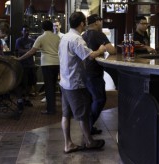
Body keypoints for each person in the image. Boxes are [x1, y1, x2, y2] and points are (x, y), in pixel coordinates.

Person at [59, 11, 106, 153]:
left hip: (64, 81)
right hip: (74, 82)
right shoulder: (76, 39)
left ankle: (68, 144)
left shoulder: (65, 37)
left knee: (65, 115)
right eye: (84, 22)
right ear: (81, 23)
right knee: (83, 115)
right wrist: (101, 49)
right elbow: (90, 56)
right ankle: (89, 142)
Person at [16, 20, 60, 115]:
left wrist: (19, 59)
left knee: (48, 87)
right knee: (53, 86)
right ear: (51, 28)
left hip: (47, 64)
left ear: (43, 28)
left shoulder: (41, 38)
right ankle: (52, 108)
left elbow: (31, 52)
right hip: (57, 64)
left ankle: (50, 109)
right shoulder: (57, 37)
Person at [82, 14, 116, 135]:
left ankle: (88, 127)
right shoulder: (98, 34)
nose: (102, 24)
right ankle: (88, 126)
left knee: (91, 100)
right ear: (97, 22)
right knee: (100, 99)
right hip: (94, 72)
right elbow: (112, 50)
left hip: (84, 72)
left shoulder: (83, 35)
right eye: (101, 21)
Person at [15, 25, 37, 109]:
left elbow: (34, 52)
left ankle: (27, 98)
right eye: (25, 31)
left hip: (31, 64)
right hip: (22, 65)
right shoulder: (19, 40)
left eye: (27, 31)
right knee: (22, 83)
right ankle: (20, 99)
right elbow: (19, 50)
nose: (26, 32)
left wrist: (30, 52)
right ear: (22, 32)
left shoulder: (32, 40)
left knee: (30, 83)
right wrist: (30, 51)